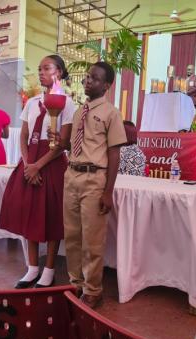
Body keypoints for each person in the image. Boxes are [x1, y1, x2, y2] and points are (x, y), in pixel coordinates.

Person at [50, 61, 127, 309]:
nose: (87, 81)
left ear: (106, 85)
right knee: (72, 235)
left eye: (94, 78)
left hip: (95, 180)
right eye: (87, 77)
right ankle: (76, 283)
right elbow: (75, 146)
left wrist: (108, 192)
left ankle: (94, 289)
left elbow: (114, 153)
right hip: (72, 175)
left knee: (91, 239)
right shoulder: (78, 112)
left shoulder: (111, 113)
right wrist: (60, 142)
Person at [0, 55, 76, 289]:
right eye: (39, 68)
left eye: (47, 68)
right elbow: (23, 135)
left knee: (52, 215)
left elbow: (62, 142)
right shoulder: (32, 103)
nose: (41, 72)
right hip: (30, 161)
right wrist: (26, 162)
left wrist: (38, 165)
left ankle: (49, 269)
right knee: (28, 213)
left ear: (59, 73)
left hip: (50, 163)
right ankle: (32, 267)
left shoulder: (67, 102)